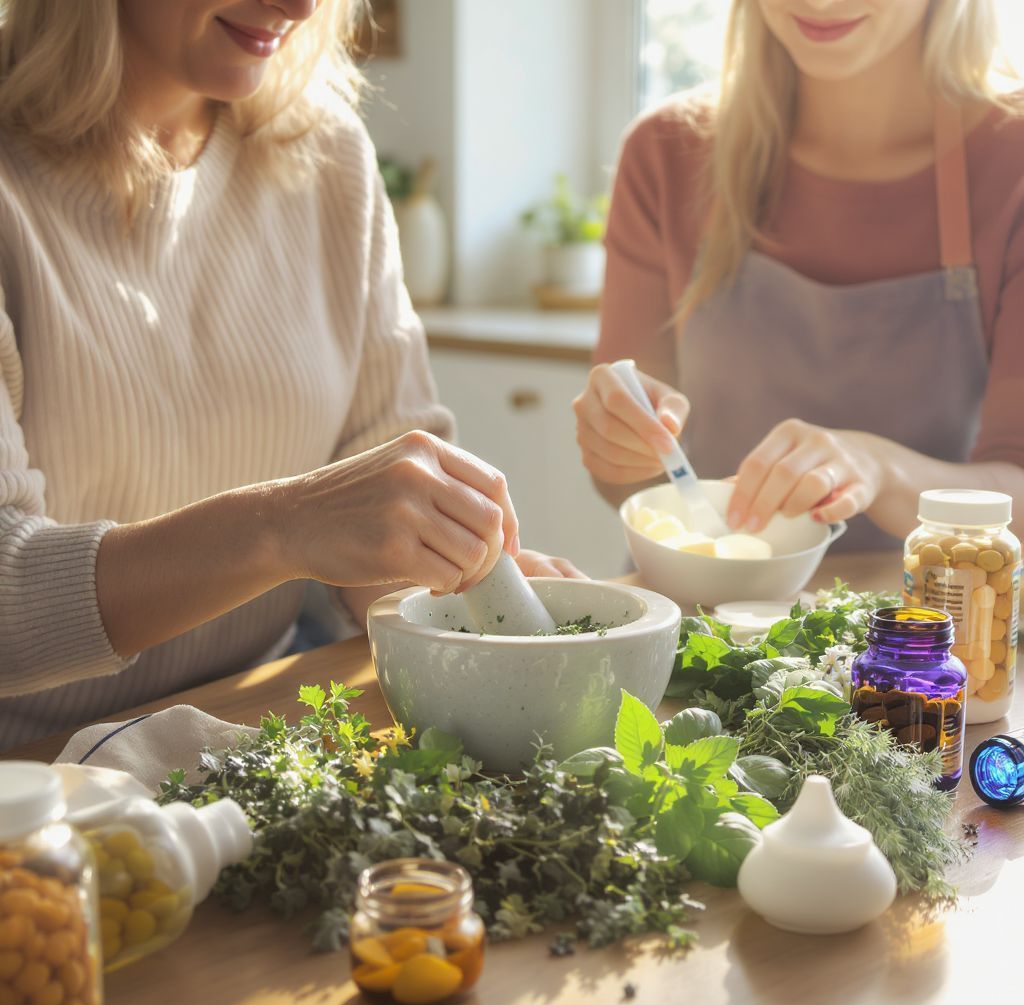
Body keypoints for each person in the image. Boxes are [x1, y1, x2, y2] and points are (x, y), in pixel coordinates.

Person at [0, 0, 579, 751]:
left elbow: (380, 471)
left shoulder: (326, 151)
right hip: (33, 782)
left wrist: (451, 591)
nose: (302, 7)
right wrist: (280, 525)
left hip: (251, 731)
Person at [575, 0, 1024, 548]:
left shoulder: (1013, 161)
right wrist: (620, 449)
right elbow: (632, 485)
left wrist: (881, 471)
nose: (820, 2)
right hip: (714, 629)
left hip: (933, 631)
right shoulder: (665, 153)